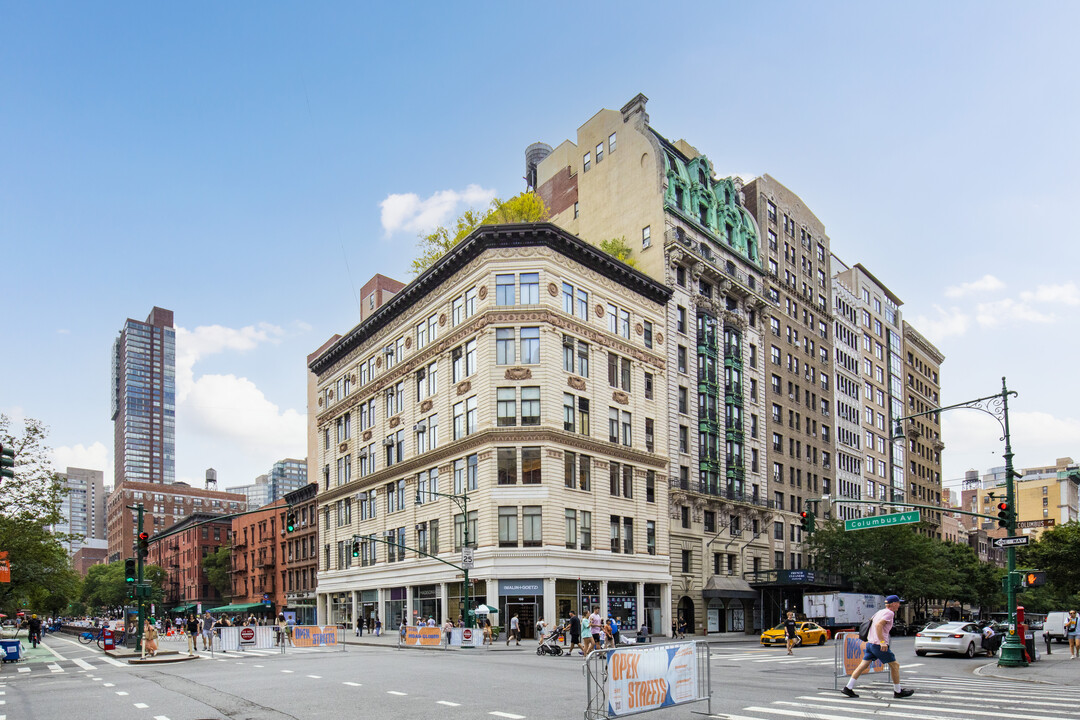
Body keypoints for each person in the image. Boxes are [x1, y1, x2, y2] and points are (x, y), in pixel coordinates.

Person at [841, 595, 913, 699]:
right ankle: (898, 691)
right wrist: (882, 642)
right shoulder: (889, 613)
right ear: (893, 604)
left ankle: (848, 687)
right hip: (878, 645)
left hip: (870, 644)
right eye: (898, 603)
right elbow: (878, 625)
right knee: (895, 665)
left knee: (863, 665)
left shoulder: (880, 612)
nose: (899, 605)